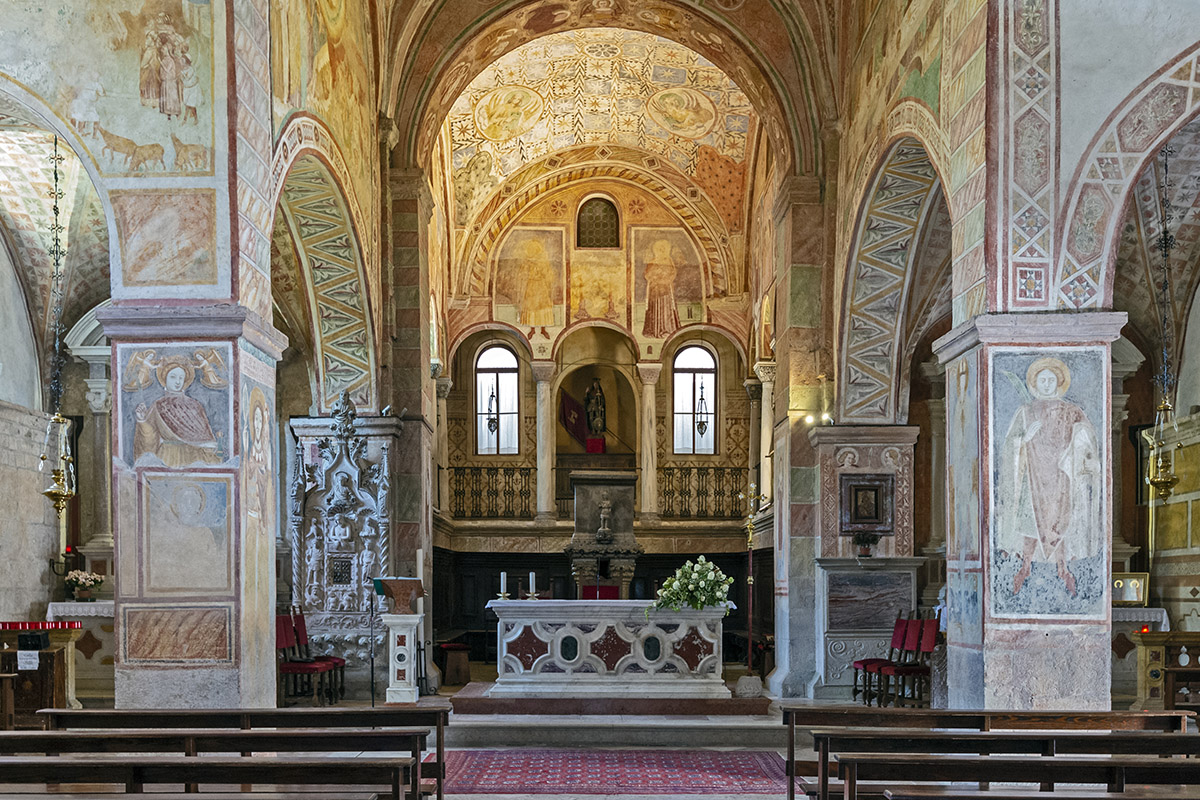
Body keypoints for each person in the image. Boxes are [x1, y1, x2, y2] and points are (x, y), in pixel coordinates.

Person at [998, 356, 1102, 597]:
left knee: (1061, 522)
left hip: (1061, 477)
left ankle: (1063, 569)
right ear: (1035, 383)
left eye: (1050, 379)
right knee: (1029, 521)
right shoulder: (1026, 412)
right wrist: (1024, 438)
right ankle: (1024, 567)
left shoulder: (1072, 411)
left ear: (1059, 381)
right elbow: (1010, 446)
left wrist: (1081, 449)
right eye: (1042, 379)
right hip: (1032, 479)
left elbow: (1087, 438)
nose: (1046, 384)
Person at [134, 361, 223, 467]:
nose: (177, 382)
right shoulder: (158, 405)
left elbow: (205, 437)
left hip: (193, 457)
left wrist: (210, 446)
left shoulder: (194, 405)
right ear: (164, 380)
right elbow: (150, 437)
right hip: (168, 456)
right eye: (173, 377)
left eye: (181, 378)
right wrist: (142, 420)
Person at [516, 238, 556, 338]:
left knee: (543, 306)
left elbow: (550, 275)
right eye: (531, 249)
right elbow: (521, 275)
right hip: (531, 286)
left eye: (535, 249)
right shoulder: (526, 262)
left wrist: (544, 273)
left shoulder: (543, 262)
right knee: (530, 306)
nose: (533, 251)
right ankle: (532, 329)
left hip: (541, 286)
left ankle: (543, 329)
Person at [642, 239, 681, 338]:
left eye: (663, 248)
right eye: (659, 248)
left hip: (666, 289)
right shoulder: (652, 261)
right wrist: (656, 277)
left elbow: (673, 273)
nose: (661, 250)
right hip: (654, 290)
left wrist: (665, 278)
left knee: (665, 309)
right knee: (655, 309)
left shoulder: (669, 260)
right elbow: (647, 275)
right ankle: (654, 330)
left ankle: (666, 329)